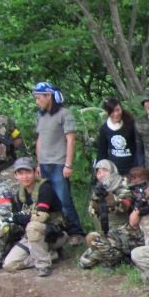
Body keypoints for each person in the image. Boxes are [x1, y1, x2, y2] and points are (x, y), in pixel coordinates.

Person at [33, 81, 86, 244]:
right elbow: (39, 139)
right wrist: (38, 163)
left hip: (59, 163)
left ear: (48, 96)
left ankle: (76, 232)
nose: (37, 101)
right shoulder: (40, 115)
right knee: (45, 198)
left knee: (64, 200)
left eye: (39, 97)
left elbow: (71, 140)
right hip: (44, 163)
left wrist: (68, 164)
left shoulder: (65, 114)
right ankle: (55, 232)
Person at [3, 157, 68, 277]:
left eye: (28, 172)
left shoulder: (45, 188)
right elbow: (21, 218)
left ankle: (43, 265)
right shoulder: (20, 193)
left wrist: (14, 218)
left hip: (54, 234)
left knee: (33, 226)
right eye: (20, 173)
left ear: (35, 172)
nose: (24, 176)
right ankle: (54, 255)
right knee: (9, 264)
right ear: (15, 175)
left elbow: (40, 217)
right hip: (32, 236)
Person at [79, 160, 140, 269]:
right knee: (85, 262)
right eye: (98, 172)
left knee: (92, 238)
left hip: (126, 234)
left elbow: (122, 208)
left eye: (105, 170)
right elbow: (92, 212)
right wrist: (95, 198)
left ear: (112, 171)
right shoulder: (100, 189)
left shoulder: (125, 188)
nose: (101, 174)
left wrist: (107, 196)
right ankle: (115, 255)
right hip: (108, 234)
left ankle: (119, 260)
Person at [96, 97, 137, 176]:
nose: (116, 114)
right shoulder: (104, 129)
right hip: (113, 170)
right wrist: (100, 170)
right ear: (107, 112)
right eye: (112, 111)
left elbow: (137, 148)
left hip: (131, 169)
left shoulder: (130, 124)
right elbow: (102, 153)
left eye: (118, 110)